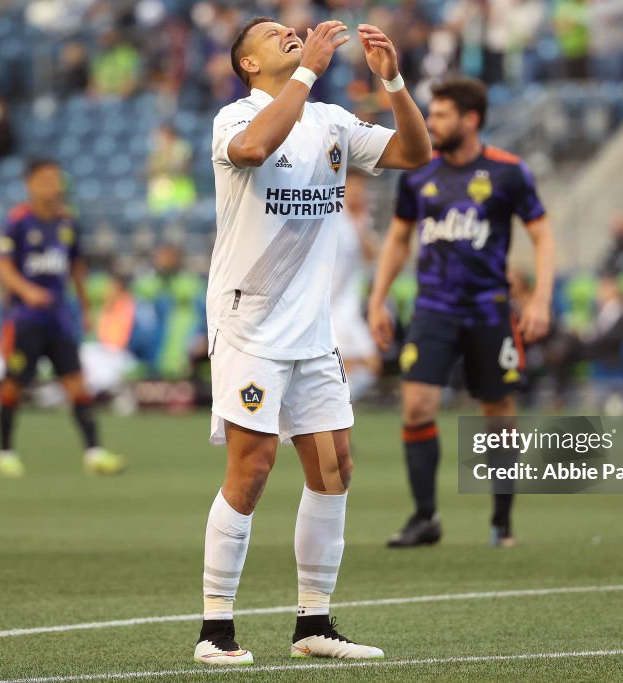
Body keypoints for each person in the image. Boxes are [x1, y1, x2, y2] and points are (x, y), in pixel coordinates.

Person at [196, 16, 431, 665]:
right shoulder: (234, 118)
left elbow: (416, 153)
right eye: (273, 34)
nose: (291, 33)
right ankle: (215, 628)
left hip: (312, 329)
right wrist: (305, 73)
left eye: (291, 30)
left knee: (334, 469)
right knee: (253, 468)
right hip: (250, 323)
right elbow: (250, 152)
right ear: (248, 63)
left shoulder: (330, 120)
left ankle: (314, 621)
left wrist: (394, 83)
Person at [367, 77, 555, 549]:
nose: (431, 123)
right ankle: (426, 517)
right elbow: (397, 238)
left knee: (498, 414)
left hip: (489, 309)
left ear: (471, 120)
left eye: (442, 115)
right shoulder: (417, 171)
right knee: (416, 406)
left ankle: (501, 521)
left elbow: (543, 235)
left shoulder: (509, 172)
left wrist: (540, 299)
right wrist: (377, 299)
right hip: (433, 306)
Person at [0, 159, 126, 478]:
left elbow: (77, 267)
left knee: (77, 385)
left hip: (59, 318)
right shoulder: (18, 222)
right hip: (26, 319)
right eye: (46, 180)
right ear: (31, 185)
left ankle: (94, 453)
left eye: (56, 179)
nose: (54, 186)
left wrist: (85, 307)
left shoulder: (67, 223)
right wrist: (26, 291)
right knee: (13, 386)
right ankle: (5, 452)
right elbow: (2, 266)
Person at [330, 174, 381, 402]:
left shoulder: (359, 220)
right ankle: (330, 418)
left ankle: (332, 414)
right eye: (353, 188)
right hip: (332, 306)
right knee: (349, 366)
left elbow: (371, 256)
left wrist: (361, 226)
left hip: (348, 305)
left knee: (368, 365)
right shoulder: (331, 217)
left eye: (361, 189)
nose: (357, 193)